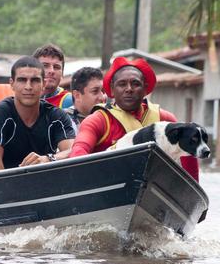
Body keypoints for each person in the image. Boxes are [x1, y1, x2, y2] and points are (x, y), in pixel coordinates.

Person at [69, 56, 200, 181]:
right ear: (112, 90)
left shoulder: (165, 119)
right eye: (122, 84)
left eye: (135, 84)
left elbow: (188, 160)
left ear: (145, 89)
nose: (129, 89)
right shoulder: (98, 120)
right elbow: (79, 151)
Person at [0, 56, 76, 170]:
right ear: (12, 83)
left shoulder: (56, 115)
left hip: (46, 178)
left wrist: (48, 159)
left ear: (44, 84)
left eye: (35, 80)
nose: (28, 87)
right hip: (6, 179)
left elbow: (73, 151)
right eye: (22, 80)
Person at [33, 43, 73, 109]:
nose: (51, 71)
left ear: (62, 74)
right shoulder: (21, 98)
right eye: (45, 66)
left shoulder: (70, 101)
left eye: (56, 67)